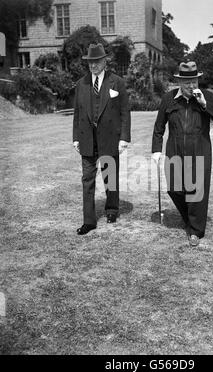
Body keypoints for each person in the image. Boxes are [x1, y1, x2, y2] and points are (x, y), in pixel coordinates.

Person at [152, 61, 213, 247]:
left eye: (194, 82)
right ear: (179, 82)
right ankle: (189, 217)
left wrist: (204, 104)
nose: (191, 86)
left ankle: (195, 230)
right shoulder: (169, 99)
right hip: (175, 151)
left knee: (196, 192)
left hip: (199, 151)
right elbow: (158, 127)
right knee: (175, 188)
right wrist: (156, 150)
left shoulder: (207, 96)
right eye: (187, 83)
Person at [73, 43, 131, 235]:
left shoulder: (117, 83)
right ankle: (89, 221)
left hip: (109, 139)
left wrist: (124, 138)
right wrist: (76, 138)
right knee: (87, 180)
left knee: (110, 177)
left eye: (96, 61)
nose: (93, 65)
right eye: (90, 62)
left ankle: (112, 209)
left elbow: (125, 112)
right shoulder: (81, 84)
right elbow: (77, 113)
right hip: (87, 139)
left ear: (105, 61)